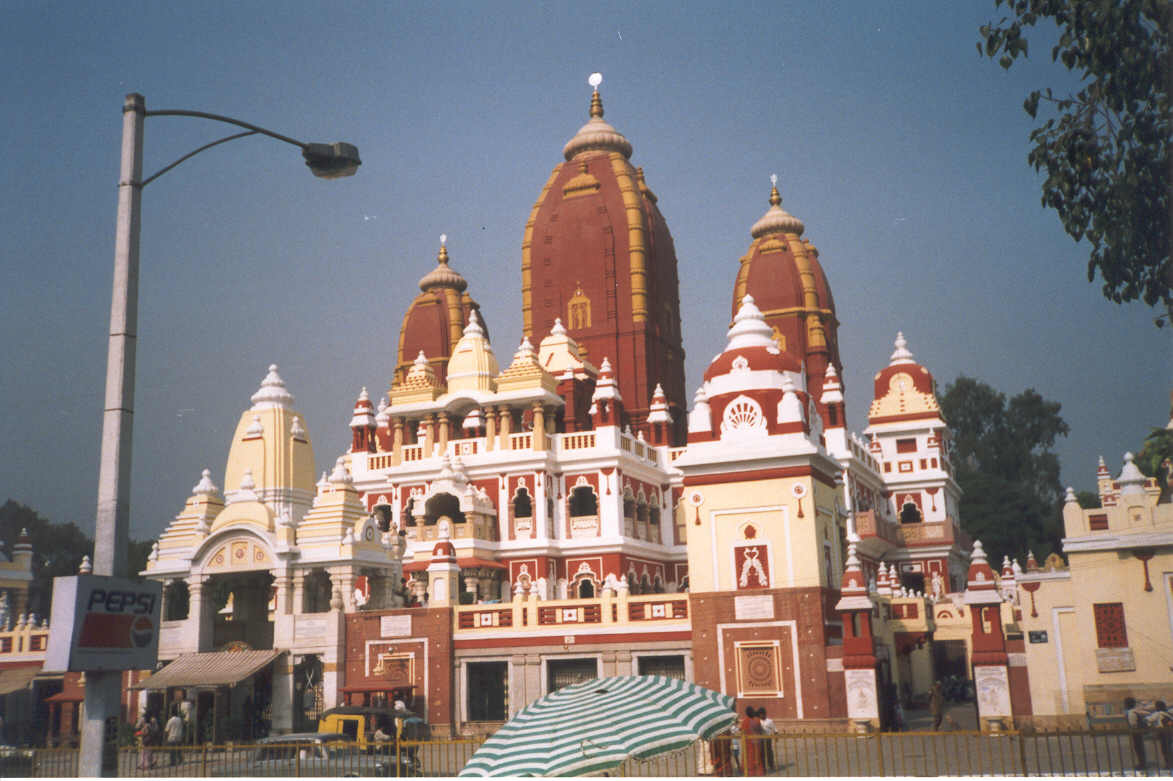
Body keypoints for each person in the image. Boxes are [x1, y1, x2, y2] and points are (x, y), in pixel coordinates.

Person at [1146, 700, 1173, 770]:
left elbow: (1148, 719)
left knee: (1164, 749)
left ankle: (1168, 764)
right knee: (1169, 748)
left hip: (1163, 733)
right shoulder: (1168, 713)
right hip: (1170, 732)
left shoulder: (1158, 714)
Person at [738, 706, 764, 777]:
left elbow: (742, 731)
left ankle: (749, 771)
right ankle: (758, 771)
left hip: (748, 742)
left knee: (749, 757)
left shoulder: (744, 721)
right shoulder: (757, 720)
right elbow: (760, 730)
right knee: (757, 757)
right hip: (757, 742)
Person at [1125, 697, 1149, 770]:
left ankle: (1142, 764)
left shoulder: (1130, 713)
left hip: (1136, 733)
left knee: (1138, 748)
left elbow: (1133, 724)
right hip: (1138, 732)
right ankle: (1143, 763)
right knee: (1140, 748)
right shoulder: (1135, 711)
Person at [757, 707, 776, 772]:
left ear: (765, 714)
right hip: (761, 739)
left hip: (768, 738)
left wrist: (776, 736)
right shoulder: (758, 721)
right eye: (760, 714)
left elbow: (775, 729)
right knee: (762, 753)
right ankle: (763, 766)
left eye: (762, 714)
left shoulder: (770, 721)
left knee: (769, 752)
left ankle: (771, 765)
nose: (761, 715)